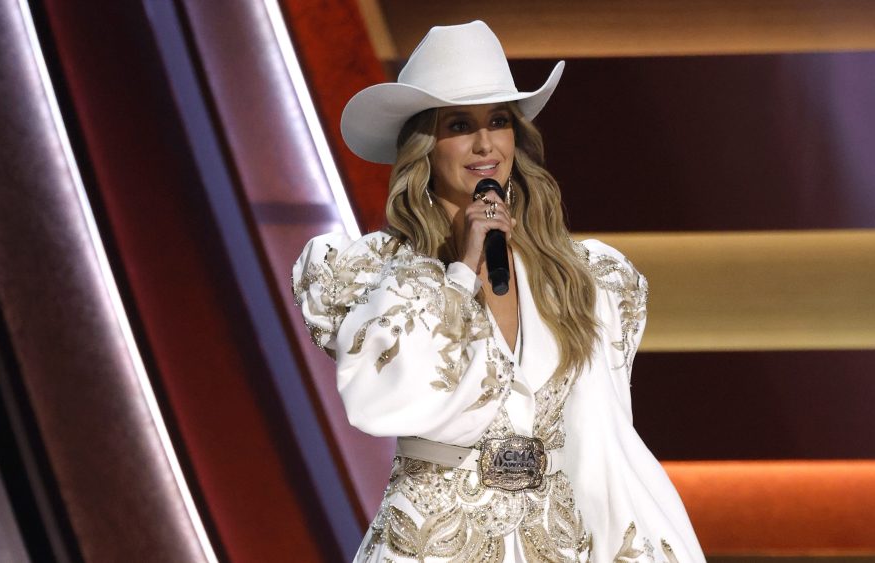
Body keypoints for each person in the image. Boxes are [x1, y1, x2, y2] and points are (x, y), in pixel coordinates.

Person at [292, 20, 705, 563]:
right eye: (460, 124)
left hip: (558, 543)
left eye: (499, 121)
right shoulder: (376, 273)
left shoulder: (582, 277)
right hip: (432, 546)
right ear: (424, 146)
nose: (485, 143)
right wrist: (462, 270)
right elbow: (384, 401)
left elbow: (605, 441)